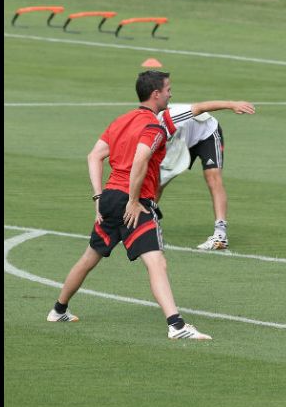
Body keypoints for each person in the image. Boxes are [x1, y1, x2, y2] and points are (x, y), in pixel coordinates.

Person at [47, 70, 213, 340]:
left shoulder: (121, 121)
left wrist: (98, 197)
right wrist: (135, 201)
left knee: (89, 258)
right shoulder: (154, 127)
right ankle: (177, 326)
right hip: (131, 202)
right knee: (156, 262)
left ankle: (58, 310)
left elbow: (94, 156)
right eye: (168, 89)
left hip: (110, 198)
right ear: (155, 94)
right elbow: (141, 159)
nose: (171, 93)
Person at [156, 100, 256, 250]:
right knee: (158, 182)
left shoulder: (170, 116)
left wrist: (232, 105)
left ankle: (220, 235)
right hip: (180, 141)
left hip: (206, 133)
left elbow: (202, 107)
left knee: (213, 178)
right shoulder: (145, 130)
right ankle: (148, 224)